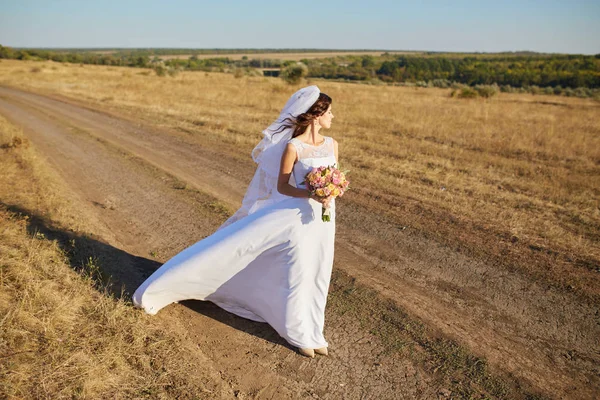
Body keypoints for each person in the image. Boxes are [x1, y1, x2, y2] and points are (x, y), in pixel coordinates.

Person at [132, 85, 338, 358]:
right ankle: (301, 334)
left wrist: (333, 191)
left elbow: (336, 176)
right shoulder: (293, 147)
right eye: (329, 112)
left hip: (323, 217)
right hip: (294, 215)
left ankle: (314, 331)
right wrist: (311, 192)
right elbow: (284, 187)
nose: (333, 117)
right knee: (297, 271)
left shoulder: (333, 144)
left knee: (319, 270)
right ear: (315, 115)